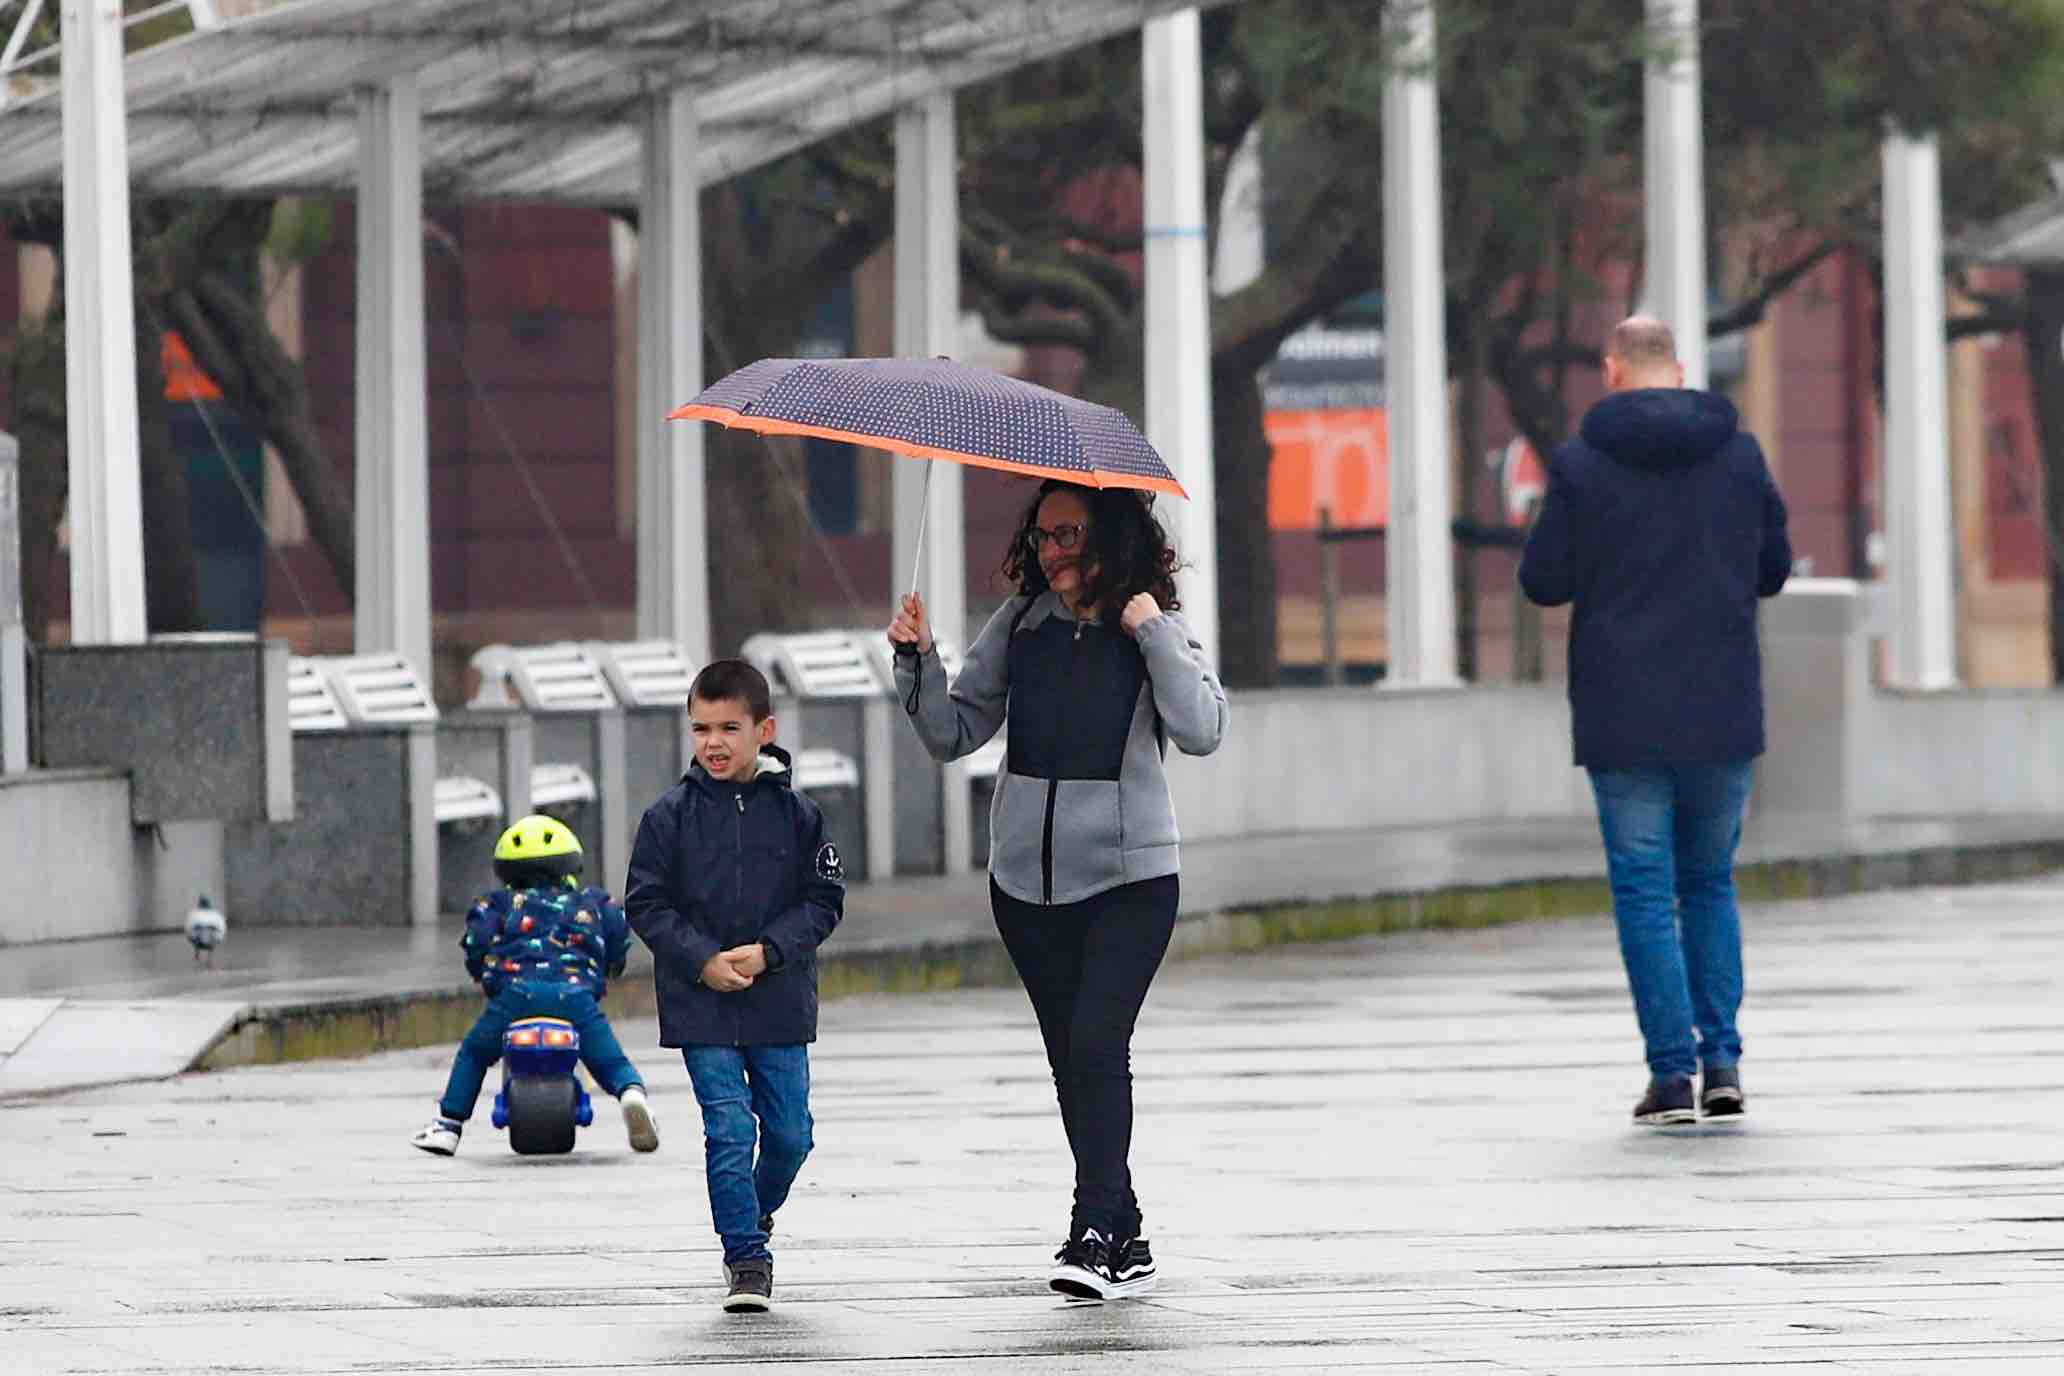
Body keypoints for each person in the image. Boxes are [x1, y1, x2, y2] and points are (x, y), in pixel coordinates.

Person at [887, 477, 1228, 1302]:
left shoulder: (1154, 629)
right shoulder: (1022, 624)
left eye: (1069, 535)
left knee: (1097, 1046)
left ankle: (1094, 1229)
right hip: (1025, 888)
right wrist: (917, 658)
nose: (1052, 552)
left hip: (1130, 882)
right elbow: (954, 730)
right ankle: (1129, 1228)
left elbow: (1203, 729)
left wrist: (1153, 633)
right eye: (1042, 538)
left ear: (1110, 536)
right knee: (1070, 1061)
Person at [1519, 315, 1793, 1127]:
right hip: (1721, 702)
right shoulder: (1740, 455)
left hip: (1621, 707)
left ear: (1611, 370)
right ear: (1678, 370)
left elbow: (1544, 581)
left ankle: (1671, 1076)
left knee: (1644, 890)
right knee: (1709, 882)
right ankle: (1724, 1063)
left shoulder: (1580, 463)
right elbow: (1773, 570)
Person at [624, 659, 845, 1315]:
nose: (713, 742)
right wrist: (701, 960)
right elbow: (647, 904)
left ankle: (755, 1209)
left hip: (778, 1002)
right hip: (703, 1007)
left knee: (789, 1136)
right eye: (700, 729)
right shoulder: (668, 817)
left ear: (763, 729)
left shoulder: (801, 815)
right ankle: (746, 1257)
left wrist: (772, 951)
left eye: (728, 727)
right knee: (726, 1130)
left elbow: (824, 900)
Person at [410, 814, 659, 1156]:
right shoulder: (596, 902)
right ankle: (632, 1095)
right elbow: (617, 936)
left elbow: (476, 941)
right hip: (574, 997)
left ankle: (448, 1127)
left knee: (475, 1052)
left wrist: (479, 969)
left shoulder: (494, 905)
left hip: (516, 996)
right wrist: (611, 967)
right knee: (609, 1060)